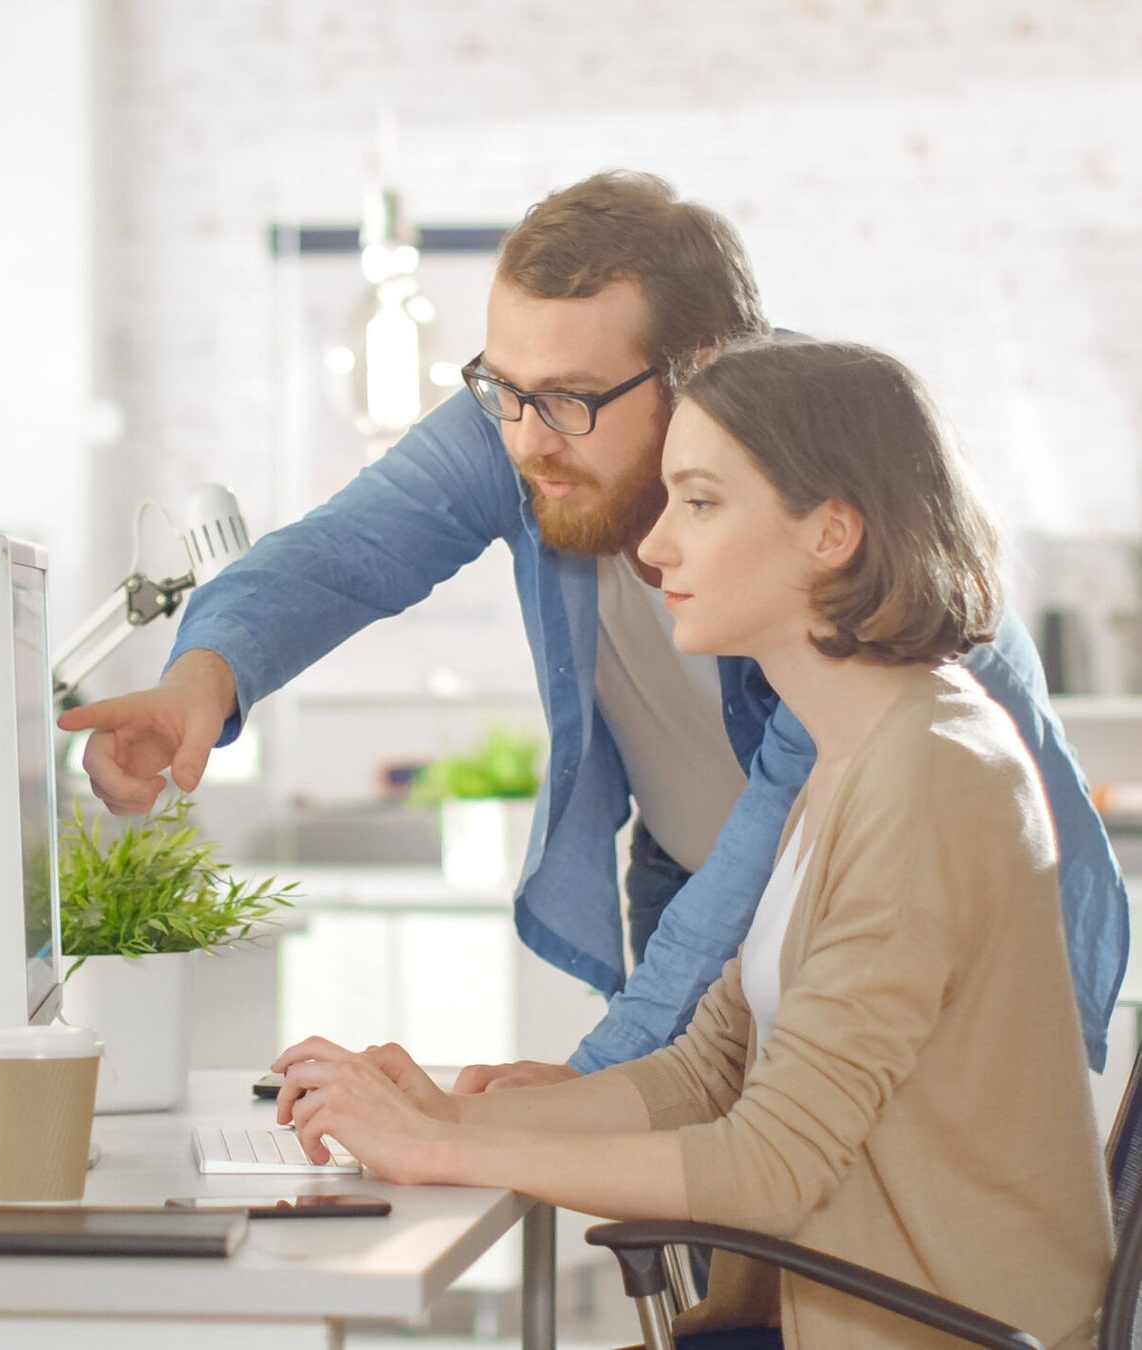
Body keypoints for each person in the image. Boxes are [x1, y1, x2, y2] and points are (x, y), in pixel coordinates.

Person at [58, 172, 1126, 1089]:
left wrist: (595, 1082)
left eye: (568, 400)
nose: (525, 441)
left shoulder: (829, 504)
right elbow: (343, 552)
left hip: (937, 935)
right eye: (504, 391)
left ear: (704, 369)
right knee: (718, 1279)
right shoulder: (530, 423)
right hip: (703, 879)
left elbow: (773, 837)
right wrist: (204, 678)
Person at [271, 338, 1113, 1350]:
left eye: (701, 503)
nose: (655, 546)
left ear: (831, 532)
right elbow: (706, 1071)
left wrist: (438, 1151)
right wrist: (447, 1123)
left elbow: (768, 1168)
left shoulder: (929, 774)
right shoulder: (856, 750)